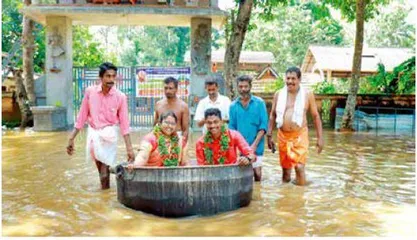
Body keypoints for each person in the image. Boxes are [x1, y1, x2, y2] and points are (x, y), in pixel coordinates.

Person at [66, 62, 134, 190]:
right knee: (101, 167)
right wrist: (71, 138)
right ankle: (106, 191)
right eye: (108, 76)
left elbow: (125, 124)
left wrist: (129, 148)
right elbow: (82, 116)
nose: (111, 80)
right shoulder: (90, 92)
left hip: (109, 135)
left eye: (113, 76)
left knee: (104, 168)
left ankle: (104, 198)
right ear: (101, 77)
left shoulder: (121, 97)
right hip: (93, 134)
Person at [266, 66, 324, 186]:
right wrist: (269, 135)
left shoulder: (307, 94)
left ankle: (300, 198)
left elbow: (315, 116)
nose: (290, 81)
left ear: (299, 79)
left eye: (293, 78)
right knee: (286, 172)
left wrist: (320, 138)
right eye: (288, 78)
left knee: (299, 167)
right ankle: (286, 198)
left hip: (299, 135)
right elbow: (272, 115)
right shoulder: (279, 94)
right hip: (283, 136)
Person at [229, 75, 268, 181]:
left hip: (257, 145)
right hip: (240, 147)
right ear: (237, 87)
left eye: (246, 86)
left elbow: (263, 127)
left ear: (250, 87)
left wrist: (254, 146)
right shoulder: (233, 106)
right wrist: (235, 149)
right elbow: (232, 130)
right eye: (240, 87)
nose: (243, 89)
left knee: (257, 174)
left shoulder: (259, 103)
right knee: (242, 176)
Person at [154, 77, 190, 147]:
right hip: (161, 140)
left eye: (170, 88)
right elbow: (155, 125)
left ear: (176, 89)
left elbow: (185, 130)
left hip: (176, 140)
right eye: (166, 88)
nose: (167, 91)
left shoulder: (183, 106)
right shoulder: (158, 104)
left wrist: (182, 146)